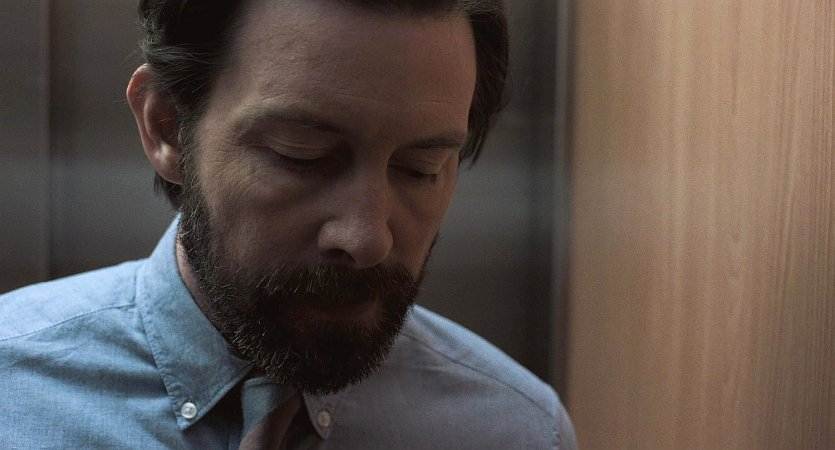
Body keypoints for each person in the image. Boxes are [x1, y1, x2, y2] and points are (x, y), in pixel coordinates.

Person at [0, 0, 577, 448]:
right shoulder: (14, 391)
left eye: (419, 169)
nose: (366, 238)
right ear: (167, 127)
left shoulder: (515, 430)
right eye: (302, 155)